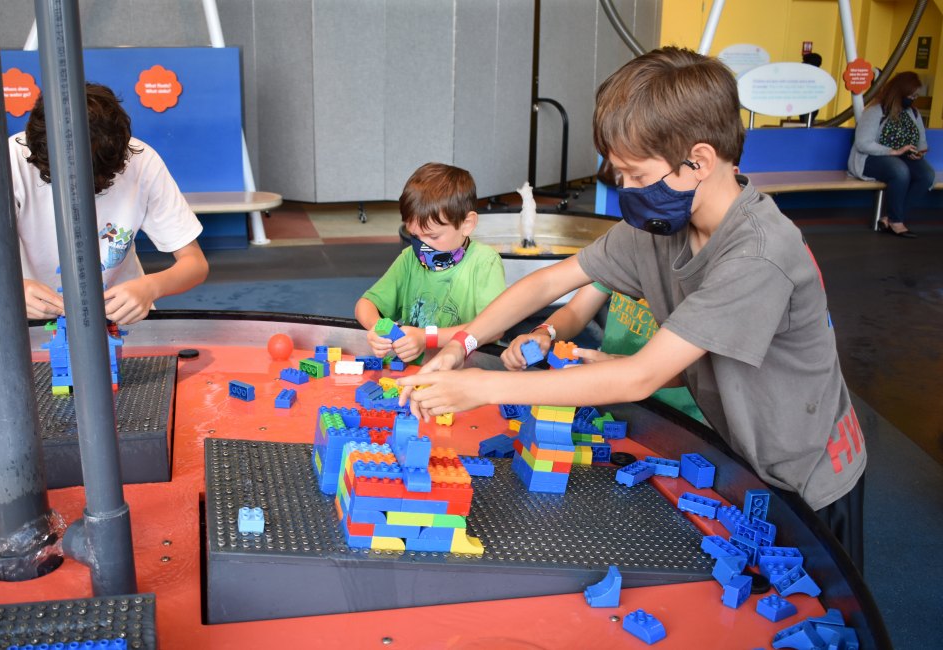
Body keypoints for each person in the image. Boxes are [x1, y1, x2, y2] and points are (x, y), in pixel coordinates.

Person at [398, 47, 866, 567]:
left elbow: (639, 379)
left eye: (638, 175)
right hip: (740, 447)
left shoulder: (758, 254)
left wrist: (479, 387)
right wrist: (465, 343)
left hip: (806, 469)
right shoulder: (659, 227)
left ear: (700, 161)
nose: (627, 190)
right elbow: (551, 281)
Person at [10, 83, 209, 324]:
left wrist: (150, 287)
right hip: (27, 319)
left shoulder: (142, 161)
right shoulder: (10, 161)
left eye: (98, 184)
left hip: (121, 321)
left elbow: (195, 264)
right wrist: (12, 288)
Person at [355, 162, 506, 363]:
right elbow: (365, 304)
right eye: (415, 235)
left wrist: (427, 338)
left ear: (466, 224)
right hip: (415, 371)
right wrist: (377, 328)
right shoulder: (410, 259)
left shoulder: (484, 263)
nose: (423, 246)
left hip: (468, 372)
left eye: (433, 236)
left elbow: (494, 328)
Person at [502, 284, 705, 423]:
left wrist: (619, 366)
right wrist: (544, 332)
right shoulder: (629, 248)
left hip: (681, 416)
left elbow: (701, 368)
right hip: (614, 401)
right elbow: (576, 311)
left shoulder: (712, 276)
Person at [848, 71, 934, 238]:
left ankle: (891, 218)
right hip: (872, 158)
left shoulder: (913, 113)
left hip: (903, 157)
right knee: (900, 171)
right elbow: (863, 143)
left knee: (927, 175)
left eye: (916, 95)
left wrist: (920, 152)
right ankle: (896, 222)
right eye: (911, 94)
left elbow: (922, 141)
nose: (913, 98)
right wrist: (893, 151)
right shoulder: (875, 111)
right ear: (900, 92)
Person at [799, 52, 823, 124]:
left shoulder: (814, 78)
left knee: (805, 123)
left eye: (805, 62)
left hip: (809, 108)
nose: (802, 63)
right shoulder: (817, 77)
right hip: (806, 107)